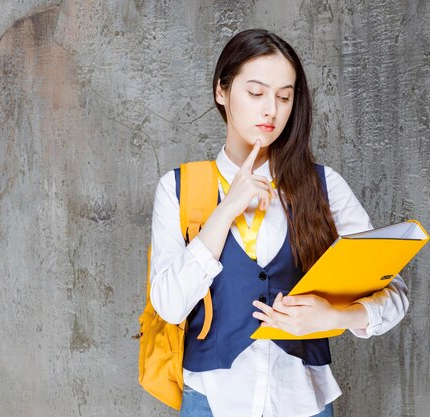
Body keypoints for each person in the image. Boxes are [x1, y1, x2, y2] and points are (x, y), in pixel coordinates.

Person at [149, 29, 409, 417]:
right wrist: (225, 211)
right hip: (210, 402)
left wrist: (335, 317)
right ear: (222, 91)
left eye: (284, 96)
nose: (271, 109)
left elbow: (394, 294)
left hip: (303, 401)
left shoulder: (324, 186)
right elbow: (169, 306)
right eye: (256, 93)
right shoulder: (179, 188)